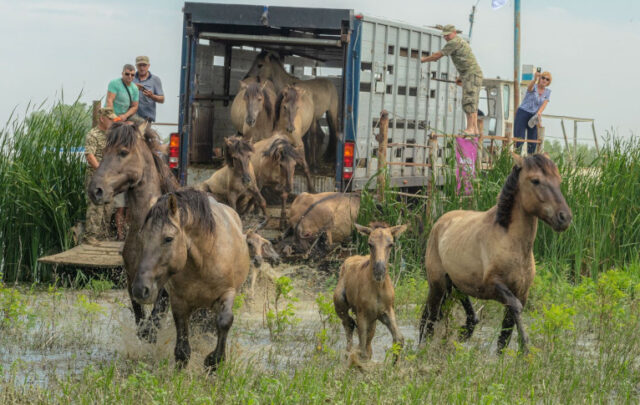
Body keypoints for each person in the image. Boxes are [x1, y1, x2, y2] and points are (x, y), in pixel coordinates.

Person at [421, 24, 484, 136]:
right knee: (472, 101)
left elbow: (437, 56)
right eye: (444, 36)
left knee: (468, 101)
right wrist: (461, 77)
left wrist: (424, 59)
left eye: (448, 35)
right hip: (471, 74)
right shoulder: (461, 41)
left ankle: (470, 128)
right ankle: (474, 129)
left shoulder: (454, 42)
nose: (446, 38)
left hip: (471, 75)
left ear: (454, 33)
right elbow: (466, 61)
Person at [84, 107, 120, 244]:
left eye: (113, 119)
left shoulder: (111, 135)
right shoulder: (93, 135)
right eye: (110, 119)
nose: (112, 122)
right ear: (102, 118)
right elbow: (89, 156)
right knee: (95, 206)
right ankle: (90, 236)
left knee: (108, 206)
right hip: (96, 177)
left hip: (108, 178)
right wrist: (102, 171)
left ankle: (103, 235)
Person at [515, 70, 551, 154]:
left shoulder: (548, 92)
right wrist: (535, 79)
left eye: (547, 79)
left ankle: (530, 160)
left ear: (549, 82)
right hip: (523, 112)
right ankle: (517, 158)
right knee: (520, 138)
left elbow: (544, 104)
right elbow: (529, 88)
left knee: (533, 140)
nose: (544, 80)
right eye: (543, 78)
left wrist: (539, 115)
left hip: (533, 115)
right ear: (540, 78)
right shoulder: (534, 86)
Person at [133, 56, 164, 122]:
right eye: (140, 65)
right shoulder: (131, 77)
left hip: (146, 118)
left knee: (142, 132)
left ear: (148, 66)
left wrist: (152, 96)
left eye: (144, 65)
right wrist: (132, 87)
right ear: (136, 66)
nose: (142, 68)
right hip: (131, 116)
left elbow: (162, 99)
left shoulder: (155, 80)